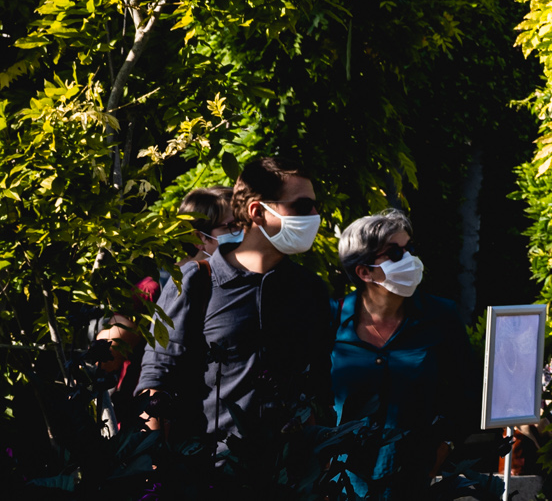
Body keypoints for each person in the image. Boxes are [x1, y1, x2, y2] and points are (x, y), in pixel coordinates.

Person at [136, 154, 335, 466]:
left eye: (315, 206)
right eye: (301, 206)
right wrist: (156, 471)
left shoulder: (311, 291)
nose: (314, 215)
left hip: (289, 479)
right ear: (257, 211)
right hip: (206, 476)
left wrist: (320, 472)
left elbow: (320, 389)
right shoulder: (195, 283)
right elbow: (156, 380)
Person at [332, 208, 473, 497]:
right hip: (341, 480)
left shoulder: (440, 316)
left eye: (409, 249)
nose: (409, 259)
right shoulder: (331, 320)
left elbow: (465, 391)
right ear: (364, 271)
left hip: (412, 478)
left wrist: (443, 449)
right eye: (394, 253)